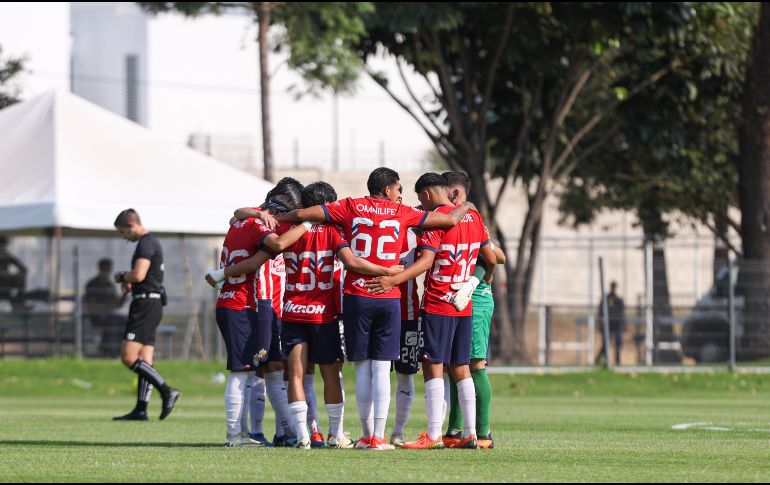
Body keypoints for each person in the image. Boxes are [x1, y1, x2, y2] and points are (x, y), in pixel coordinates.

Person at [279, 167, 474, 450]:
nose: (400, 195)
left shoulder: (349, 206)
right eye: (398, 189)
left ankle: (367, 435)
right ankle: (380, 437)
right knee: (382, 368)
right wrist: (466, 204)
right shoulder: (402, 213)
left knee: (362, 367)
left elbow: (300, 215)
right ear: (387, 189)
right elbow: (448, 220)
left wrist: (285, 216)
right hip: (389, 296)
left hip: (357, 295)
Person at [366, 173, 496, 450]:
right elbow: (491, 258)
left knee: (433, 365)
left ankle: (434, 434)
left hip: (438, 302)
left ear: (426, 195)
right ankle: (471, 434)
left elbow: (426, 262)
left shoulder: (435, 222)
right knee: (461, 367)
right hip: (464, 304)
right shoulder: (473, 218)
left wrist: (393, 280)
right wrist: (477, 281)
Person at [211, 193, 310, 447]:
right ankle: (235, 435)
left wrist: (221, 273)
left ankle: (244, 434)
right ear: (275, 213)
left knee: (247, 372)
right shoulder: (257, 225)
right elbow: (277, 245)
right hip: (242, 304)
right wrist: (307, 224)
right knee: (242, 373)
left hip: (233, 302)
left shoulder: (239, 222)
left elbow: (238, 212)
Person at [442, 170, 506, 450]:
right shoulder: (448, 218)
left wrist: (477, 279)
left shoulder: (471, 218)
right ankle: (455, 430)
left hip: (476, 300)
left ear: (454, 193)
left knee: (475, 364)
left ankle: (484, 433)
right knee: (455, 364)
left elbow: (496, 255)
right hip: (454, 300)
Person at [112, 208, 180, 421]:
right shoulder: (150, 242)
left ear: (132, 226)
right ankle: (141, 409)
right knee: (145, 359)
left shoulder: (146, 243)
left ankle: (167, 390)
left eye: (124, 232)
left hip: (145, 305)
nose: (124, 238)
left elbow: (139, 274)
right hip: (153, 303)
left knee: (128, 356)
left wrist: (122, 276)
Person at [84, 258, 127, 358]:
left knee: (126, 321)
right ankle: (110, 352)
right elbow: (93, 305)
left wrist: (124, 296)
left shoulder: (109, 284)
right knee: (113, 322)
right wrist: (109, 303)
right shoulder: (93, 284)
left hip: (110, 316)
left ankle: (121, 350)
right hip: (97, 317)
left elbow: (117, 303)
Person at [595, 281, 626, 366]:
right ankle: (598, 361)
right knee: (605, 345)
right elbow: (600, 312)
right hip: (608, 325)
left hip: (617, 325)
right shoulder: (606, 299)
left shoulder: (618, 300)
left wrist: (623, 325)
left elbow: (622, 313)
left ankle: (617, 361)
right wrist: (599, 324)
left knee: (618, 345)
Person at [0, 236, 27, 306]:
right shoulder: (6, 255)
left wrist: (18, 274)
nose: (2, 245)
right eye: (1, 243)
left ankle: (19, 303)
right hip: (3, 281)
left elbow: (23, 268)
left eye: (3, 244)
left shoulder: (7, 255)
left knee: (20, 279)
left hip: (5, 281)